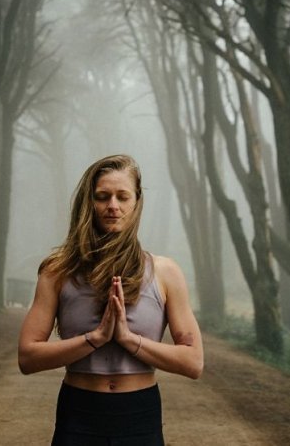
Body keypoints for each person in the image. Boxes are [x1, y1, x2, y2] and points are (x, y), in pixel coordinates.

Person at [18, 154, 204, 445]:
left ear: (137, 202)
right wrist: (95, 338)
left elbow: (193, 362)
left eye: (122, 197)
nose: (113, 206)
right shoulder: (58, 272)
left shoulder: (165, 272)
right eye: (102, 197)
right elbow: (27, 358)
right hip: (78, 414)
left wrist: (129, 340)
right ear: (88, 202)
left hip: (140, 416)